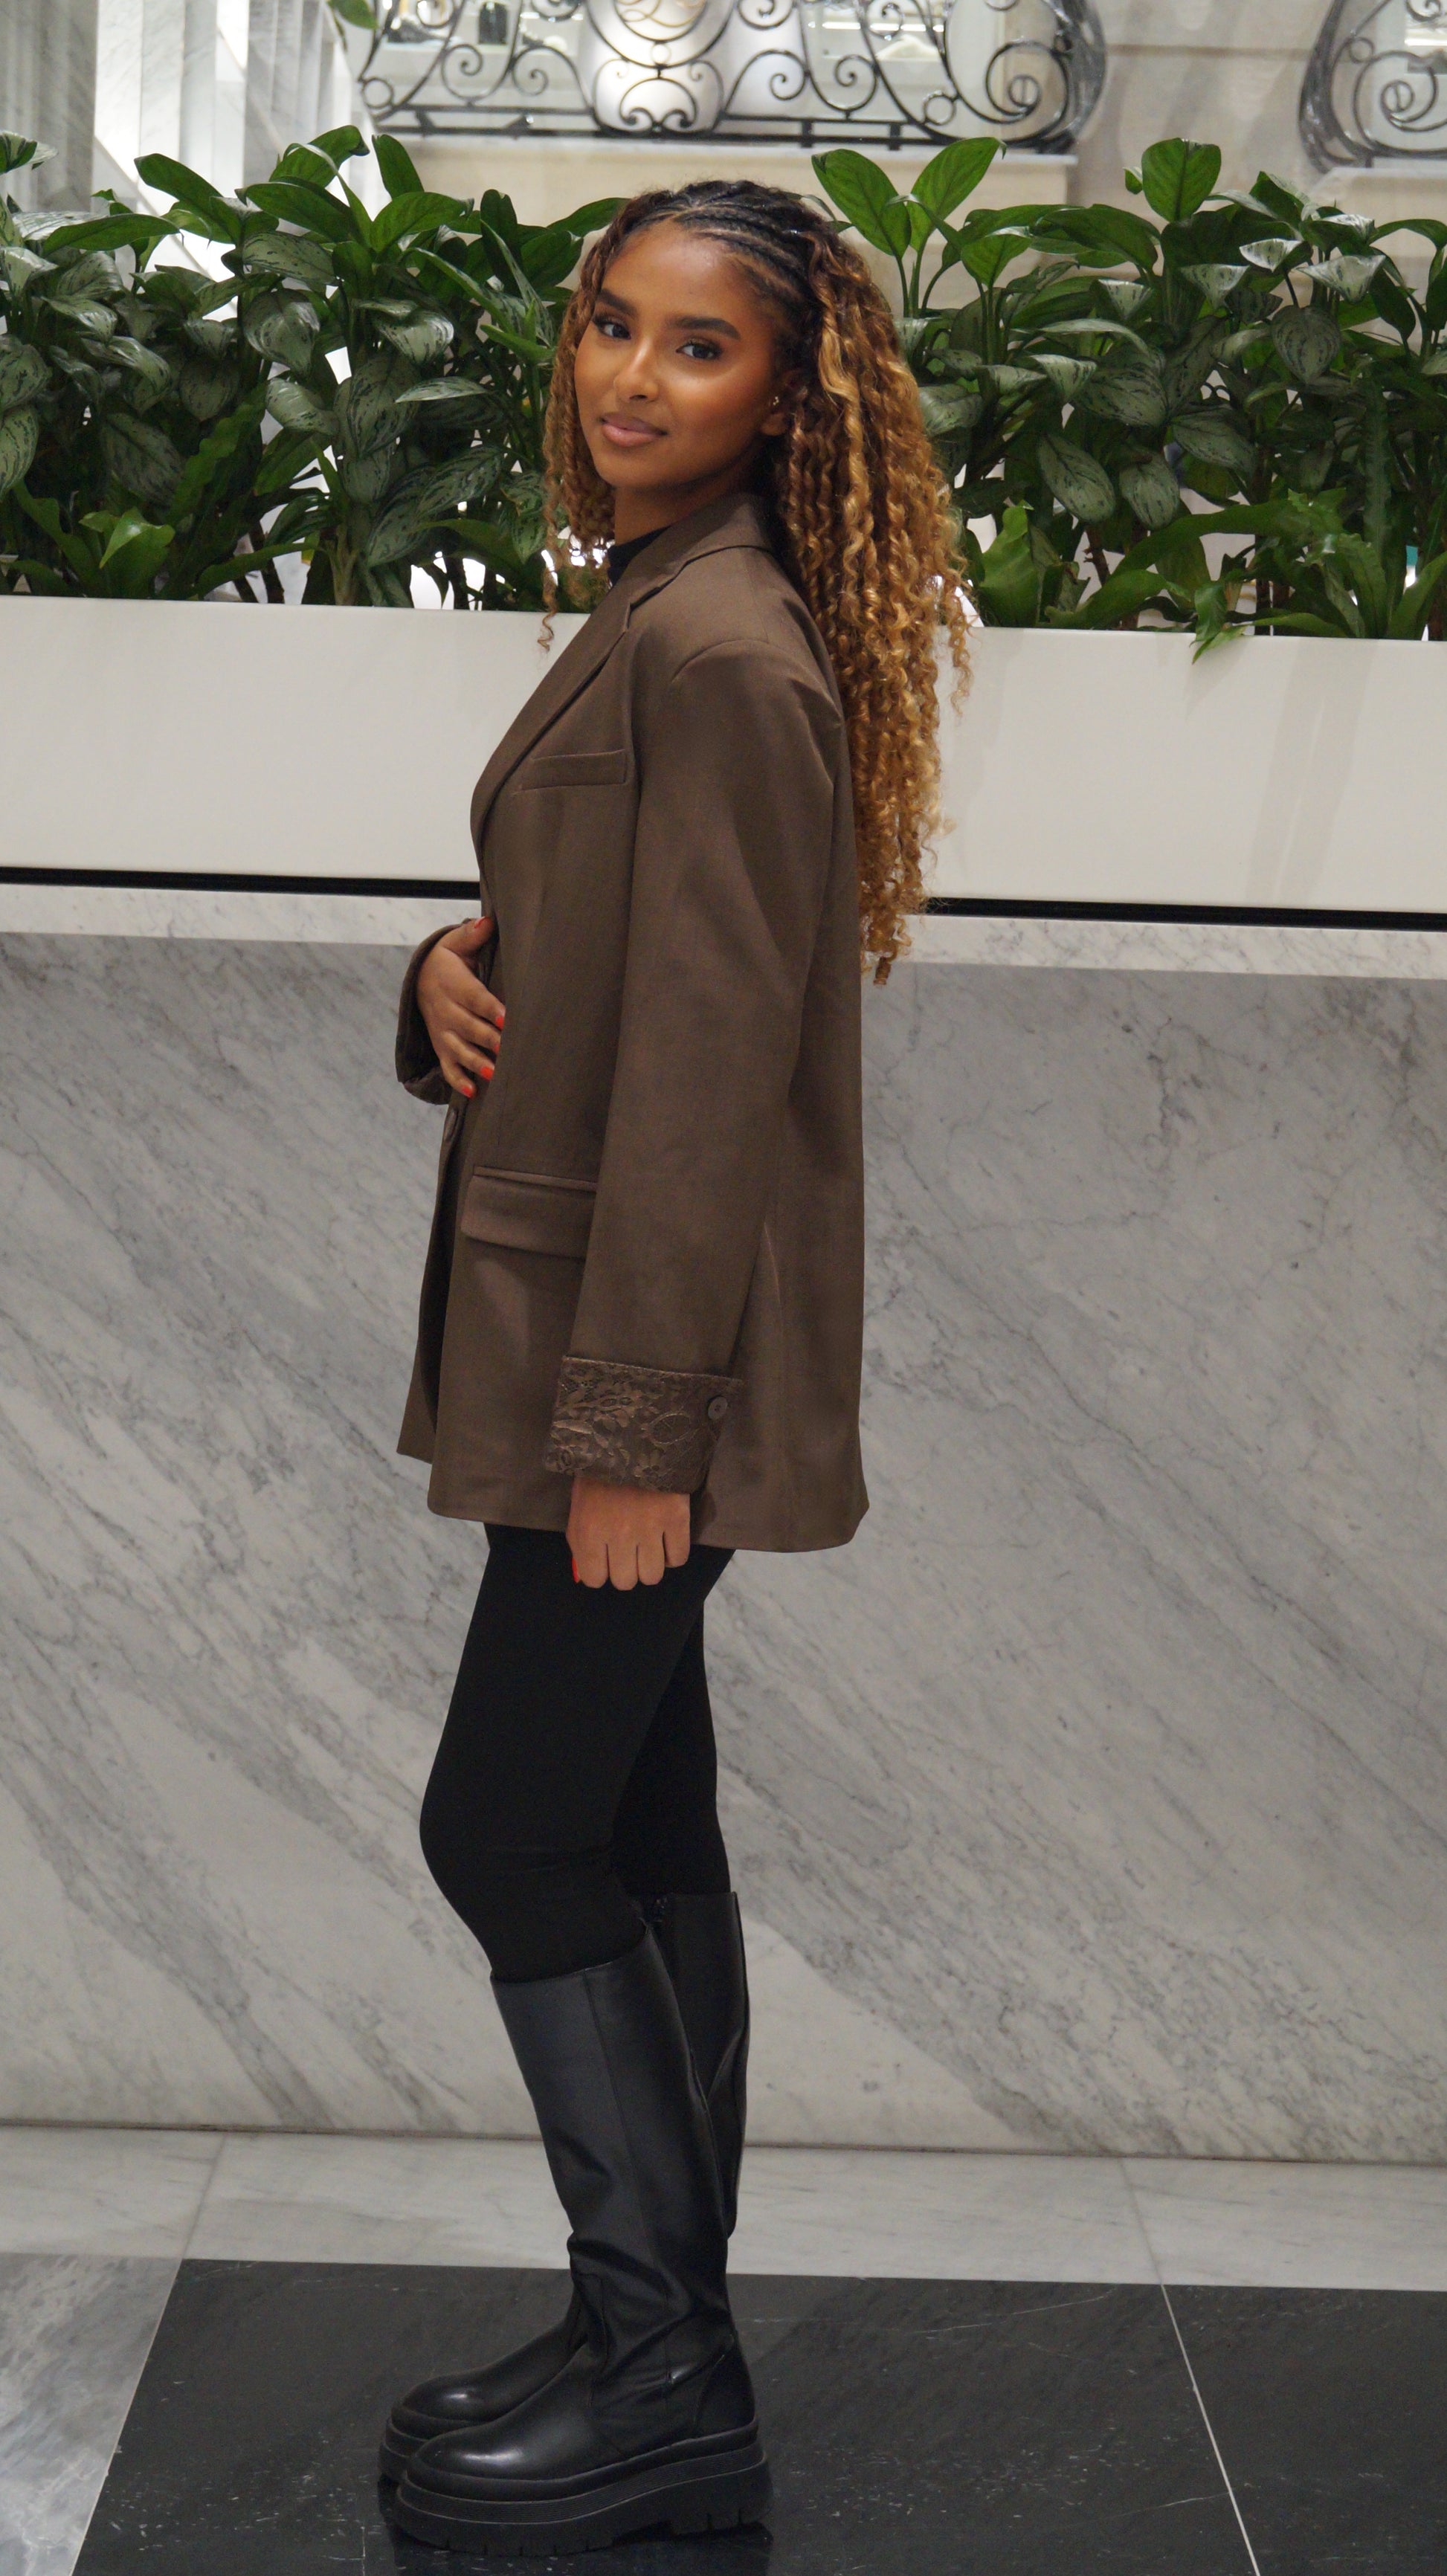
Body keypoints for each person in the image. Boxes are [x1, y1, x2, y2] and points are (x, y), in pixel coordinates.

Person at [381, 178, 969, 2556]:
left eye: (696, 345)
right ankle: (646, 2332)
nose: (630, 375)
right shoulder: (670, 600)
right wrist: (451, 967)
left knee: (505, 1829)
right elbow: (621, 956)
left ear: (788, 391)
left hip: (636, 1365)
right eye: (611, 324)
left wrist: (638, 1433)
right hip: (608, 1333)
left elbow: (715, 1074)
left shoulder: (720, 644)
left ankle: (663, 2370)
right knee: (628, 1828)